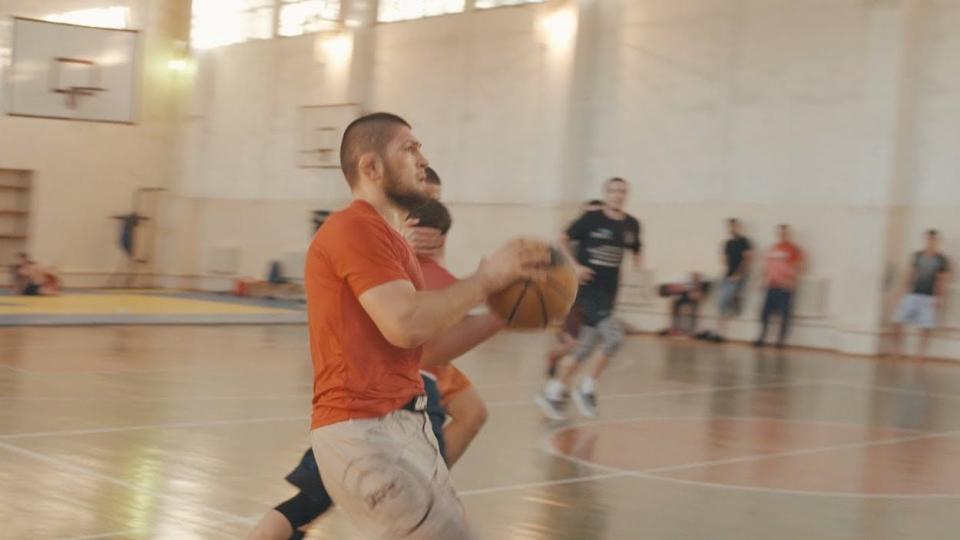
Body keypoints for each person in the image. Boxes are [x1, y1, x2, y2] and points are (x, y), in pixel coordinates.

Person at [303, 112, 548, 539]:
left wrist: (501, 313)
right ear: (371, 167)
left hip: (401, 428)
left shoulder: (391, 241)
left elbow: (427, 350)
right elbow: (406, 325)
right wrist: (487, 278)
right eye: (409, 149)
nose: (423, 158)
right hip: (364, 429)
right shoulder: (353, 227)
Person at [246, 198, 496, 540]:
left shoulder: (408, 270)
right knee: (311, 505)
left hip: (391, 404)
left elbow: (468, 404)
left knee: (312, 504)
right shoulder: (389, 267)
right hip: (373, 408)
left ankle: (424, 490)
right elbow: (424, 343)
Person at [536, 178, 641, 420]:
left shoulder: (631, 224)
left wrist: (638, 269)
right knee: (615, 337)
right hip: (588, 292)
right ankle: (587, 388)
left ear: (626, 195)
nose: (618, 195)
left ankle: (552, 392)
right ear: (606, 195)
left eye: (622, 192)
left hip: (609, 294)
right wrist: (576, 266)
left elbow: (636, 248)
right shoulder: (591, 219)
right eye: (614, 191)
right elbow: (560, 240)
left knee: (583, 349)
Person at [545, 199, 604, 379]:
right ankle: (555, 357)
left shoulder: (601, 240)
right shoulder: (570, 240)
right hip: (573, 296)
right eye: (590, 212)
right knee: (573, 343)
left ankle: (561, 375)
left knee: (587, 342)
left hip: (593, 295)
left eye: (597, 213)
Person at [891, 229, 951, 361]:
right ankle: (898, 350)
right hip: (913, 294)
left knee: (925, 326)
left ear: (937, 241)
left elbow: (942, 280)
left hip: (929, 297)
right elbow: (909, 274)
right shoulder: (917, 256)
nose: (930, 242)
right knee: (897, 320)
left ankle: (920, 354)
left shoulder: (942, 260)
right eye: (928, 239)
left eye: (932, 239)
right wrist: (900, 293)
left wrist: (940, 298)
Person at [753, 224, 803, 349]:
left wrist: (791, 281)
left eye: (784, 233)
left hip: (785, 286)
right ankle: (761, 337)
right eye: (780, 233)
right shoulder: (773, 249)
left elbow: (798, 266)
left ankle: (780, 341)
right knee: (765, 313)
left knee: (784, 314)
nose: (782, 235)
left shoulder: (793, 249)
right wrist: (762, 280)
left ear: (788, 234)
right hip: (771, 285)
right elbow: (767, 266)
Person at [703, 218, 752, 343]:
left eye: (734, 226)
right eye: (730, 227)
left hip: (739, 276)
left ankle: (736, 301)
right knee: (720, 303)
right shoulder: (728, 243)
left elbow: (748, 259)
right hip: (727, 276)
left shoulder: (744, 241)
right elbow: (724, 261)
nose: (732, 229)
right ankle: (720, 333)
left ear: (738, 227)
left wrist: (739, 274)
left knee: (723, 301)